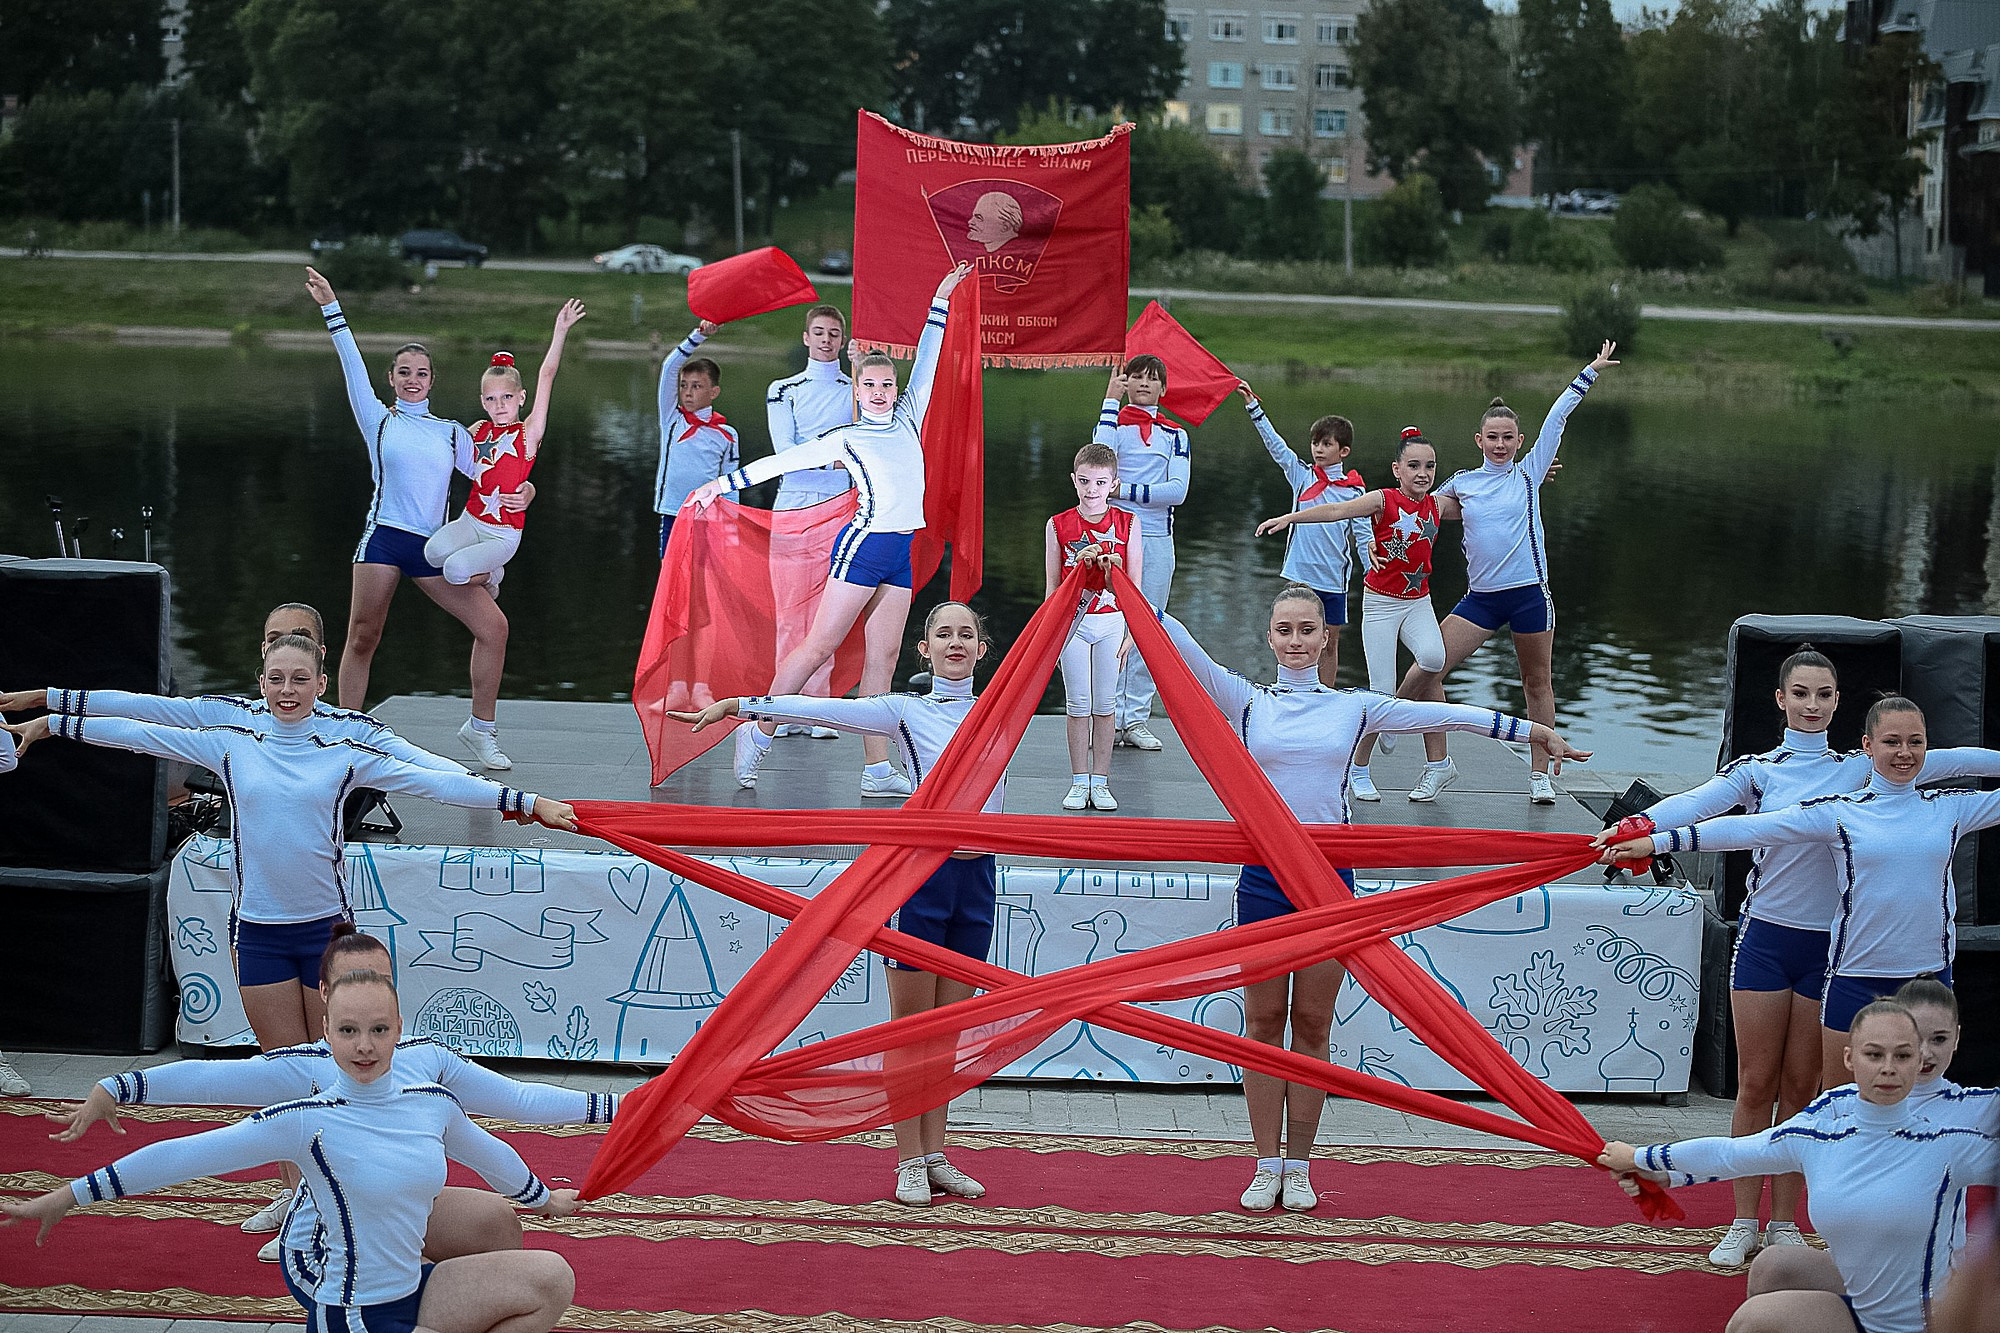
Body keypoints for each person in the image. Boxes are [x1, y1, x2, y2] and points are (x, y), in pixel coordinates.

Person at [1161, 585, 1588, 1212]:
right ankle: (1265, 1162)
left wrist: (1535, 731)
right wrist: (1117, 578)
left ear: (1325, 638)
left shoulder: (1355, 708)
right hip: (1264, 876)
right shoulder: (1246, 701)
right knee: (1262, 1024)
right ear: (1270, 637)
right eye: (1285, 629)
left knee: (1312, 1023)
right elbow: (1175, 642)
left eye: (1308, 629)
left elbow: (1449, 717)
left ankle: (1300, 1165)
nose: (1296, 640)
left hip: (1329, 879)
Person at [6, 635, 575, 1062]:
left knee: (333, 1069)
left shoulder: (345, 747)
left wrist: (526, 802)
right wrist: (54, 722)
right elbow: (144, 730)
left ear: (320, 684)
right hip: (257, 933)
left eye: (300, 680)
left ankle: (335, 1178)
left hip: (326, 931)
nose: (287, 690)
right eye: (276, 679)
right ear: (261, 682)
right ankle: (291, 1183)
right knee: (282, 1074)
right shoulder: (231, 740)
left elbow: (432, 782)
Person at [1606, 651, 2000, 1266]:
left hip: (1834, 948)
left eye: (1824, 694)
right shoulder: (1760, 771)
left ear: (1839, 702)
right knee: (1755, 1083)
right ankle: (1742, 1221)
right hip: (1770, 939)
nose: (1812, 705)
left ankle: (1788, 1222)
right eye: (1801, 693)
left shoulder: (1862, 767)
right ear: (1781, 699)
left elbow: (1957, 760)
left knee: (1804, 1091)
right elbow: (1715, 812)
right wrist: (1640, 830)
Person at [3, 968, 581, 1333]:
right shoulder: (304, 1120)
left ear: (399, 1030)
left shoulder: (433, 1103)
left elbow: (490, 1154)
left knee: (550, 1277)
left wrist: (543, 1199)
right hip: (351, 1313)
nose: (364, 1046)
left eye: (379, 1030)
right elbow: (185, 1155)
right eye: (348, 1031)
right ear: (326, 1033)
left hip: (416, 1288)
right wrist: (68, 1195)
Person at [668, 602, 999, 1206]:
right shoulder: (904, 711)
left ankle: (937, 1156)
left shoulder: (1003, 706)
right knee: (910, 1029)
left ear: (982, 650)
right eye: (942, 633)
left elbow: (1060, 641)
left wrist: (1094, 573)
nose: (955, 642)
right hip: (920, 881)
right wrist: (740, 706)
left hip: (978, 883)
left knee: (947, 1032)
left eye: (966, 634)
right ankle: (908, 1160)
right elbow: (822, 709)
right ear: (923, 650)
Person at [48, 925, 618, 1263]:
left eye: (379, 983)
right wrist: (118, 1086)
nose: (365, 997)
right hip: (339, 1232)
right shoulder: (304, 1070)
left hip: (396, 1204)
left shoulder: (429, 1060)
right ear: (324, 995)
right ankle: (309, 1221)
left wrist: (629, 1107)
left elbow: (519, 1102)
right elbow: (210, 1085)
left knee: (500, 1229)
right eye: (350, 984)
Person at [1597, 696, 2000, 1093]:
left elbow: (1961, 760)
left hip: (1927, 978)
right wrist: (1657, 841)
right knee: (1839, 1109)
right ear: (1868, 746)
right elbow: (1752, 829)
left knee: (1920, 1107)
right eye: (1892, 742)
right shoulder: (1840, 811)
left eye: (1916, 742)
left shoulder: (1951, 808)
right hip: (1854, 978)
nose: (1904, 753)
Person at [688, 263, 969, 798]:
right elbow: (782, 461)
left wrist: (941, 297)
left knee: (883, 660)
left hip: (901, 552)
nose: (880, 392)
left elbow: (929, 358)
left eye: (887, 384)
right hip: (862, 548)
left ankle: (877, 769)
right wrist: (719, 486)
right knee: (818, 646)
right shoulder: (846, 438)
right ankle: (758, 730)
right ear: (857, 391)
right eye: (871, 385)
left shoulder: (910, 417)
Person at [1599, 1001, 2000, 1333]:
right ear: (1850, 1058)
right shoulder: (1820, 1133)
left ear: (1918, 1063)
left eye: (1903, 1055)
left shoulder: (1950, 1145)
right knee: (1768, 1279)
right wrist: (1645, 1161)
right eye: (1874, 1054)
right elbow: (1732, 1154)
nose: (1888, 1067)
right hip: (1860, 1308)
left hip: (1925, 1323)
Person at [305, 268, 528, 773]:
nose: (412, 379)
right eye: (403, 371)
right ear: (391, 378)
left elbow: (496, 475)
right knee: (363, 636)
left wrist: (528, 492)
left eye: (421, 372)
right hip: (384, 541)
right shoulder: (378, 420)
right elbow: (350, 361)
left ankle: (481, 730)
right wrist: (331, 306)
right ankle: (347, 734)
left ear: (432, 380)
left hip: (433, 549)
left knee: (494, 628)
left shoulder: (452, 432)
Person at [1381, 343, 1620, 805]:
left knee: (1536, 683)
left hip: (1529, 595)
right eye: (1492, 437)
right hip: (1482, 600)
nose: (1500, 444)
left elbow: (1557, 418)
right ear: (1479, 440)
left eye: (1508, 437)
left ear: (1520, 441)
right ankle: (1432, 759)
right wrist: (1380, 544)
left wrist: (1589, 371)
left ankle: (1539, 775)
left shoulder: (1529, 474)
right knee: (1430, 667)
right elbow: (1415, 511)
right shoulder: (1463, 483)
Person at [0, 601, 465, 773]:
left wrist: (497, 795)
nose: (285, 649)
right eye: (274, 641)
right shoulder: (231, 719)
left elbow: (423, 769)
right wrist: (48, 706)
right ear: (262, 657)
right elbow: (144, 715)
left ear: (322, 665)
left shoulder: (350, 729)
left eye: (299, 640)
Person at [1258, 425, 1445, 802]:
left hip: (1418, 601)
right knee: (1379, 691)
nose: (1422, 473)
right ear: (1397, 470)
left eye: (1430, 466)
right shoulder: (1381, 499)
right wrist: (1291, 518)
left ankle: (1393, 717)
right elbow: (1337, 510)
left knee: (1433, 658)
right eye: (1413, 466)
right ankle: (1358, 768)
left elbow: (1482, 494)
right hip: (1380, 605)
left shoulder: (1439, 504)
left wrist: (1528, 476)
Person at [424, 299, 586, 595]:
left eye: (507, 397)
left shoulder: (529, 432)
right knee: (432, 554)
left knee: (454, 571)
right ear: (482, 401)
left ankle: (492, 575)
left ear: (521, 397)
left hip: (503, 534)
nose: (499, 405)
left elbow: (547, 374)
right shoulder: (478, 429)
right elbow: (442, 443)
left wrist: (561, 330)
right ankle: (484, 566)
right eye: (491, 399)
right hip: (471, 519)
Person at [1237, 382, 1369, 686]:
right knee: (1293, 640)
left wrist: (1371, 572)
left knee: (1328, 645)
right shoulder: (1302, 475)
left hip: (1334, 579)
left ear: (1344, 451)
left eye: (1326, 444)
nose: (1318, 449)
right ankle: (1291, 690)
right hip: (1301, 575)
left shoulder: (1355, 491)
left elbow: (1364, 538)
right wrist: (1253, 407)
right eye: (1315, 443)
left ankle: (1326, 698)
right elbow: (1277, 447)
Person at [764, 304, 857, 739]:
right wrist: (834, 462)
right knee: (789, 612)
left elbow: (864, 441)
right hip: (794, 504)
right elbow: (785, 452)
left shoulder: (855, 388)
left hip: (840, 508)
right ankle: (784, 706)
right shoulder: (783, 389)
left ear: (842, 339)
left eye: (833, 333)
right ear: (806, 337)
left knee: (828, 611)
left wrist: (860, 370)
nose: (825, 340)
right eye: (819, 332)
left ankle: (818, 709)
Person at [1094, 354, 1191, 753]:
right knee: (1112, 624)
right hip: (1116, 538)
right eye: (1137, 377)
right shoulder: (1113, 425)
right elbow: (1099, 466)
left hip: (1157, 539)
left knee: (1150, 627)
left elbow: (1178, 492)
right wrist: (1109, 400)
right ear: (1126, 382)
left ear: (1163, 388)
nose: (1145, 384)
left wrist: (1125, 490)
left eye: (1153, 379)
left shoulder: (1176, 435)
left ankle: (1135, 718)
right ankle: (1106, 717)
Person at [1044, 443, 1142, 812]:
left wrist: (1133, 632)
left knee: (1104, 704)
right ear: (1074, 480)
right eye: (1084, 481)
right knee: (1077, 704)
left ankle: (1100, 780)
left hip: (1113, 622)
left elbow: (1135, 586)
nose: (1091, 490)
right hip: (1072, 625)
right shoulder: (1058, 525)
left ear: (1113, 484)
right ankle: (1078, 779)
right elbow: (1052, 588)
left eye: (1100, 482)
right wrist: (1051, 636)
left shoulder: (1129, 523)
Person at [1895, 978, 1996, 1272]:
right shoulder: (1851, 1101)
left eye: (1938, 1039)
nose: (1926, 1053)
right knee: (1778, 1266)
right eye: (1914, 1038)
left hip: (1934, 1279)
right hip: (1866, 1267)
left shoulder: (1975, 1106)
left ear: (1957, 1037)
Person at [654, 319, 739, 557]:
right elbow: (669, 367)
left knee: (703, 574)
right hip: (673, 513)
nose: (688, 393)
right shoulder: (673, 420)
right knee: (670, 573)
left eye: (696, 386)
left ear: (714, 392)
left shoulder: (727, 435)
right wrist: (699, 335)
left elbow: (730, 485)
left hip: (708, 517)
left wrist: (732, 533)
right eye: (684, 386)